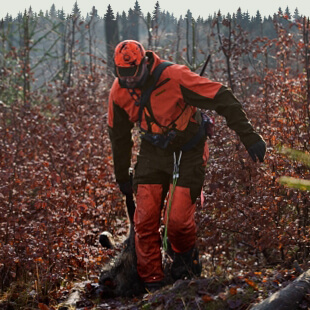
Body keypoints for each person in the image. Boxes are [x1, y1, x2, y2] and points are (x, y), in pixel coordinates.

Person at [107, 40, 266, 291]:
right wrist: (122, 176)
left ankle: (185, 265)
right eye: (121, 74)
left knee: (178, 221)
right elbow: (118, 135)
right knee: (145, 220)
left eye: (131, 73)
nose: (127, 80)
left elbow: (222, 96)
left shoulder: (174, 77)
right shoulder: (118, 92)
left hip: (188, 149)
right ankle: (153, 287)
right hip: (152, 151)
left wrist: (249, 136)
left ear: (144, 63)